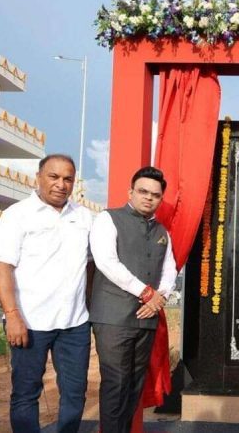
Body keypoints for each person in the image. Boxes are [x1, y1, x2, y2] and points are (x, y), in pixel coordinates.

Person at [0, 154, 94, 433]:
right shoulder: (17, 215)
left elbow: (92, 265)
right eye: (54, 177)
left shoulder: (85, 217)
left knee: (75, 393)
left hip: (74, 325)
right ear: (38, 177)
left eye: (68, 179)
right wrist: (12, 316)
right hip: (28, 322)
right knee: (26, 393)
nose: (61, 184)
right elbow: (2, 267)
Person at [88, 166, 177, 433]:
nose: (148, 198)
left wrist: (160, 297)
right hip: (114, 318)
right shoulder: (108, 219)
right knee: (116, 383)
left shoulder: (162, 231)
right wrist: (146, 292)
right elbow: (107, 262)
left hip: (147, 318)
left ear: (161, 199)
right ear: (131, 192)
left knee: (134, 385)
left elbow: (170, 268)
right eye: (143, 192)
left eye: (155, 195)